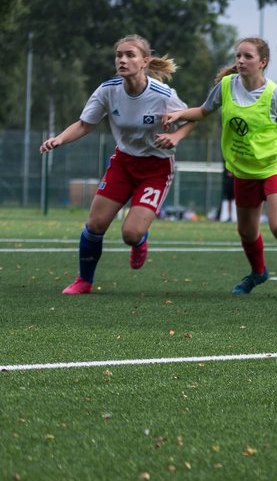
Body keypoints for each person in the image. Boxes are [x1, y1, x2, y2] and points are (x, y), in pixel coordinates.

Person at [163, 37, 277, 300]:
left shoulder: (274, 94)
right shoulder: (226, 86)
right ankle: (258, 273)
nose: (240, 61)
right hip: (244, 169)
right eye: (238, 56)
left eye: (247, 56)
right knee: (246, 231)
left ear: (263, 62)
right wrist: (180, 115)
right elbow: (203, 111)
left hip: (276, 165)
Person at [41, 35, 194, 294]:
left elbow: (192, 117)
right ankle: (84, 280)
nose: (122, 60)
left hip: (156, 169)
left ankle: (140, 239)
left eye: (130, 55)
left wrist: (176, 136)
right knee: (95, 225)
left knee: (130, 234)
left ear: (145, 61)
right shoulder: (107, 90)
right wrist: (59, 139)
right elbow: (84, 124)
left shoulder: (163, 95)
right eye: (119, 55)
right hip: (123, 164)